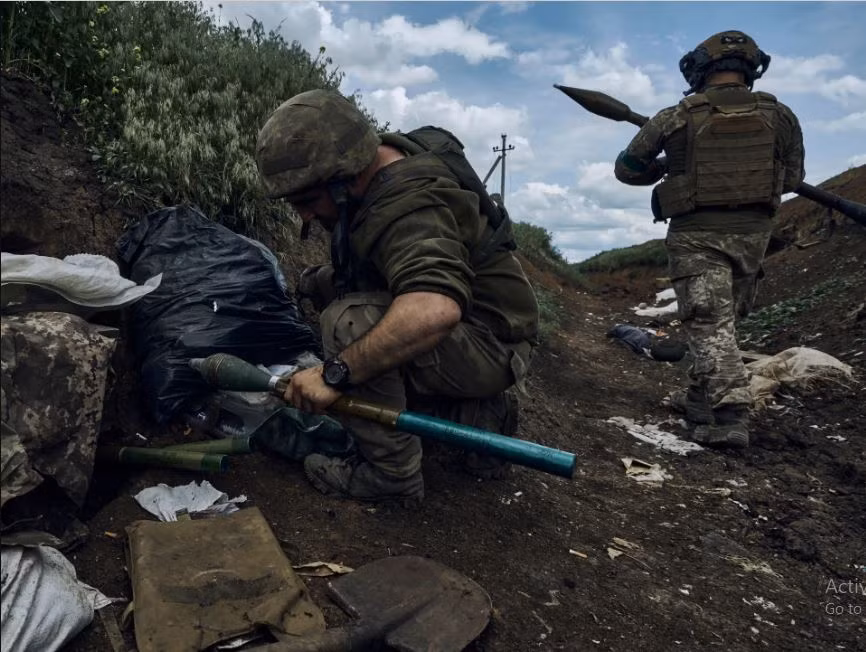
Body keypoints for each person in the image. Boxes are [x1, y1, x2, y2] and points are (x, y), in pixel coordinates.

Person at [254, 90, 539, 504]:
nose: (305, 217)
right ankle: (474, 416)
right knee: (327, 285)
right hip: (482, 326)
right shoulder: (376, 158)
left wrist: (335, 373)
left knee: (348, 323)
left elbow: (434, 308)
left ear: (344, 176)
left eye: (308, 200)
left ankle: (391, 475)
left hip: (491, 343)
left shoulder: (409, 205)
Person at [613, 30, 805, 448]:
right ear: (750, 68)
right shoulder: (782, 116)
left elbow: (627, 168)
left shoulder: (675, 116)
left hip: (696, 235)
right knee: (720, 325)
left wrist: (665, 165)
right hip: (753, 235)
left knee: (708, 322)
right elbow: (792, 177)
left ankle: (728, 417)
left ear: (700, 68)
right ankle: (699, 400)